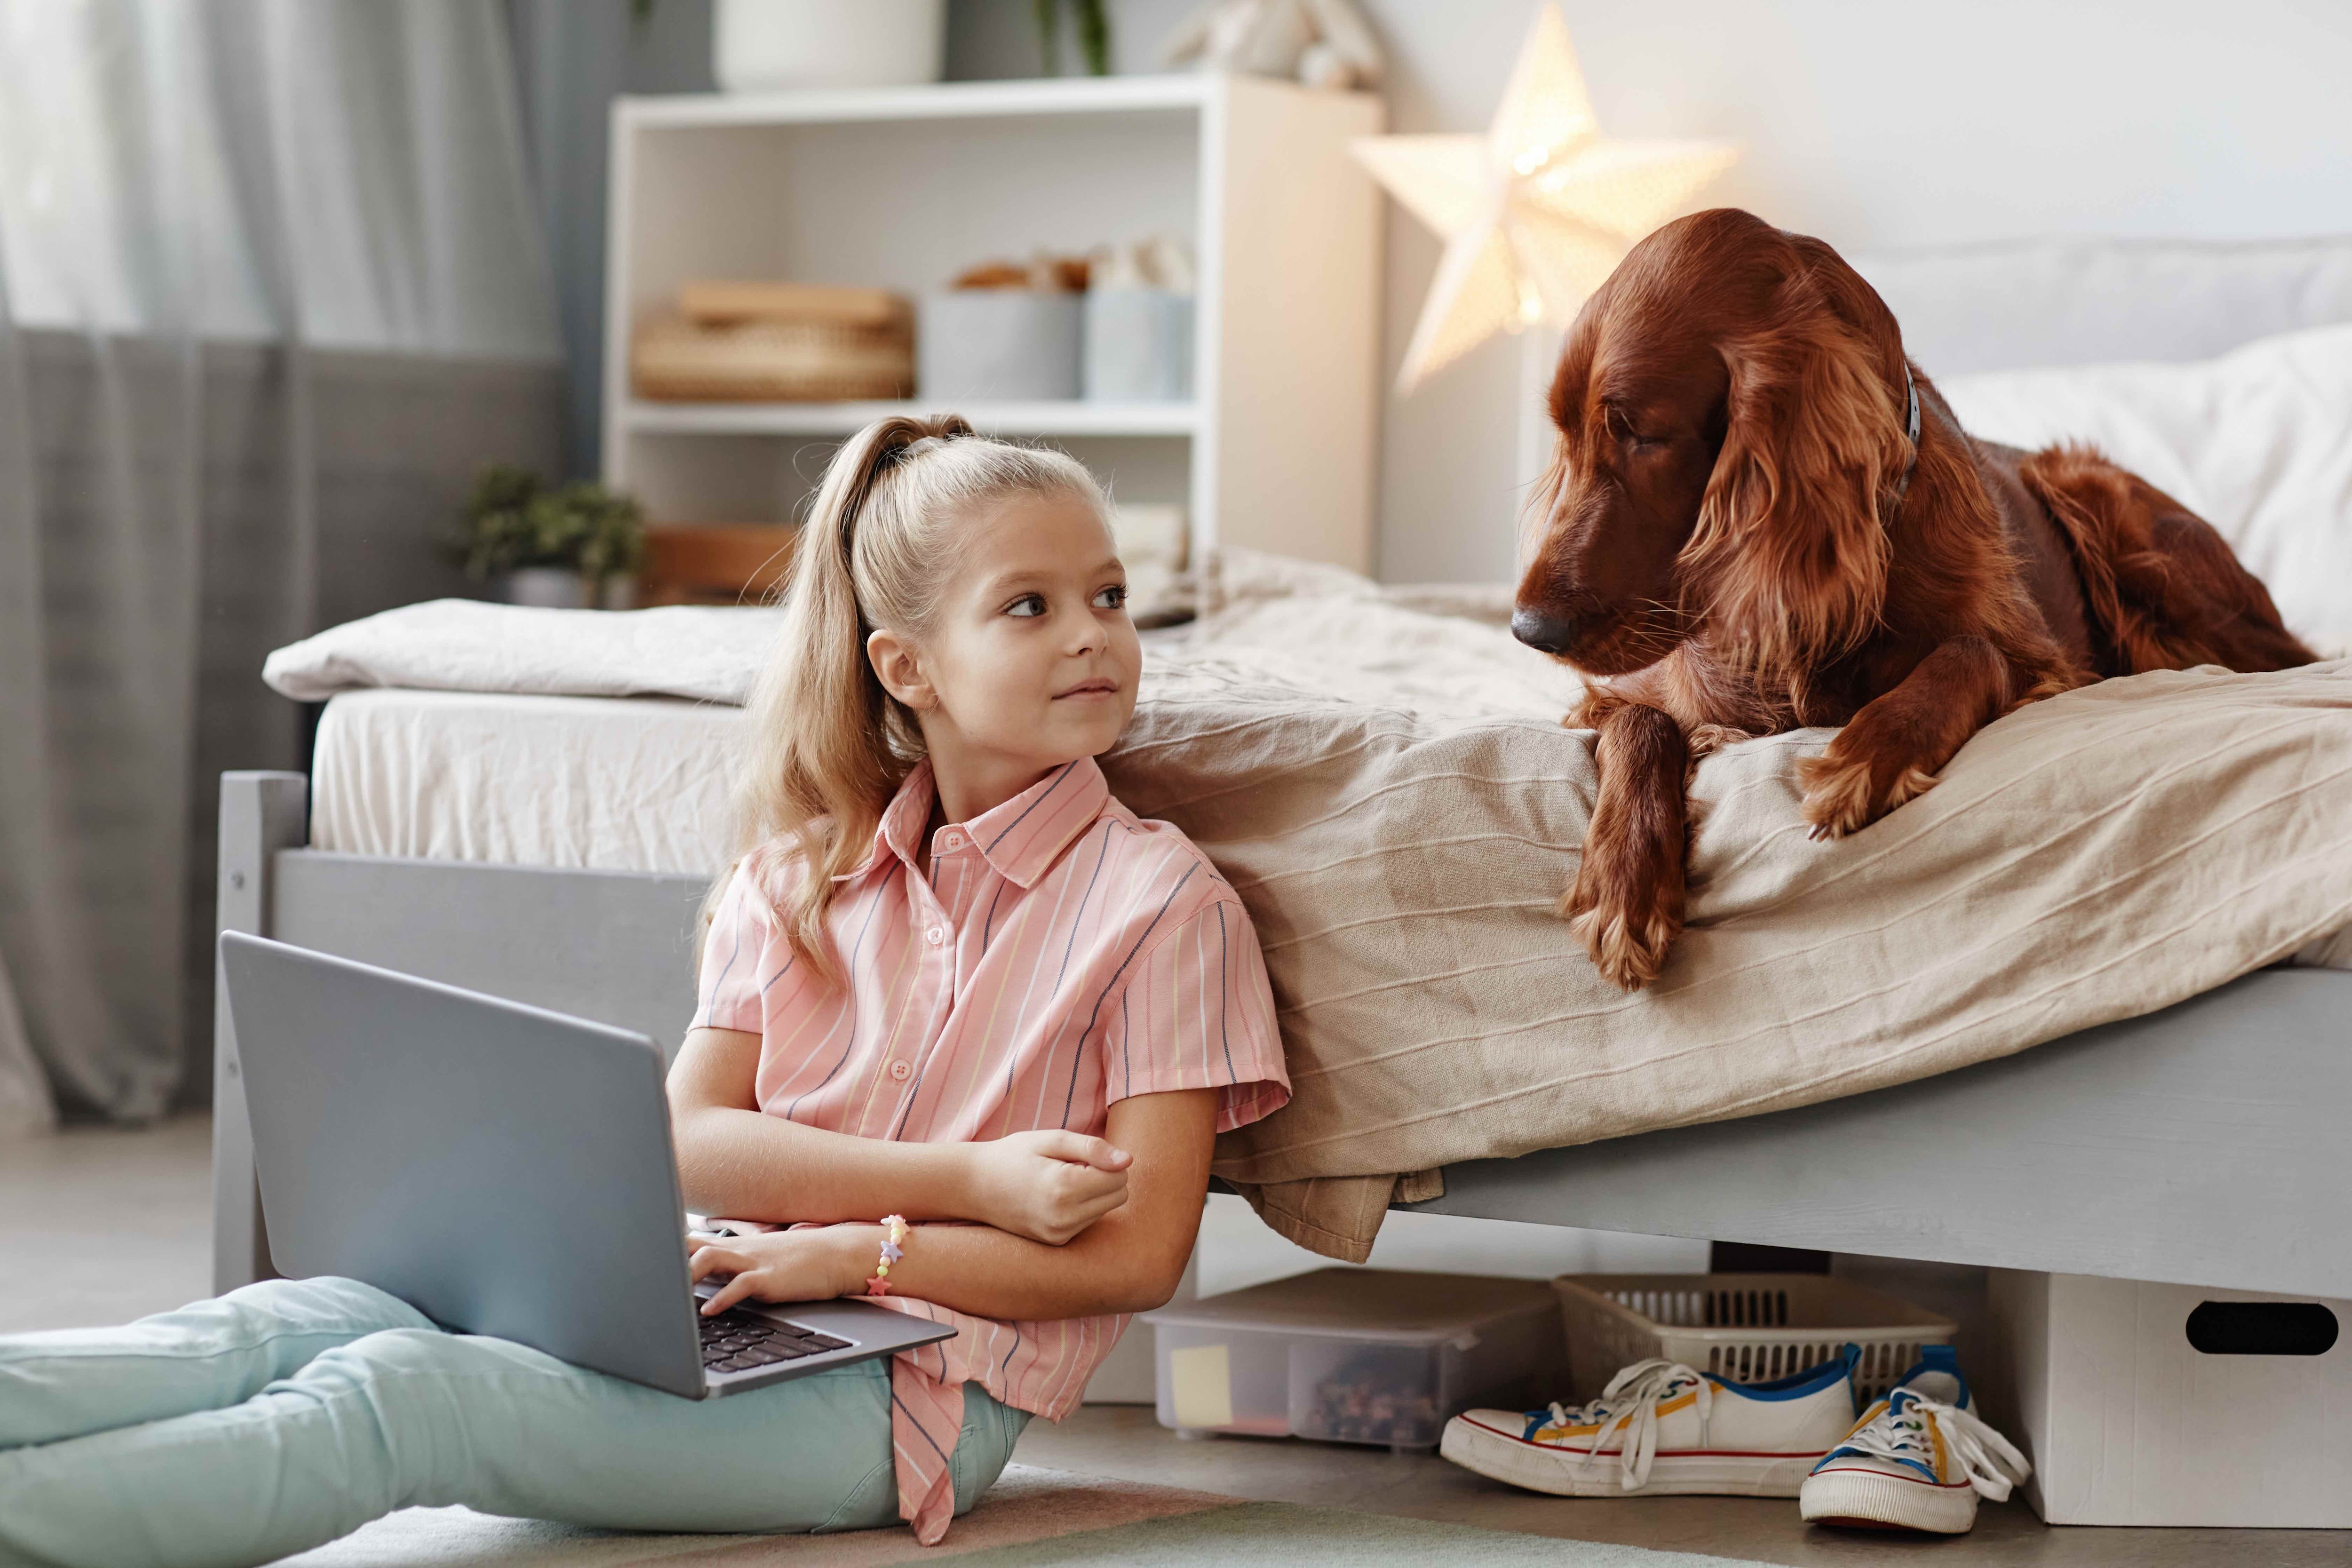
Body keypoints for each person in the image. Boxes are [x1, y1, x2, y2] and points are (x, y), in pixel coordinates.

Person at [0, 415, 1288, 1567]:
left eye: (1110, 596)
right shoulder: (798, 875)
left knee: (410, 1397)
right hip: (717, 1296)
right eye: (1032, 605)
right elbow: (690, 1142)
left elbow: (1137, 1253)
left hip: (911, 1404)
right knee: (302, 1319)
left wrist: (859, 1249)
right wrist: (970, 1184)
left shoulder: (1163, 908)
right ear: (908, 668)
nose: (1094, 636)